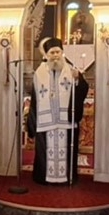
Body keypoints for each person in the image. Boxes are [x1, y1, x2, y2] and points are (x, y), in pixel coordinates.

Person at [26, 37, 90, 185]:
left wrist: (78, 80)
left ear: (62, 53)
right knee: (44, 150)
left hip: (65, 119)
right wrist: (33, 120)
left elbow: (83, 89)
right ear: (46, 54)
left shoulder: (71, 69)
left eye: (58, 52)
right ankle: (44, 177)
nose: (55, 55)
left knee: (66, 148)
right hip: (46, 120)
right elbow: (35, 98)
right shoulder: (39, 73)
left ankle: (65, 177)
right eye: (52, 52)